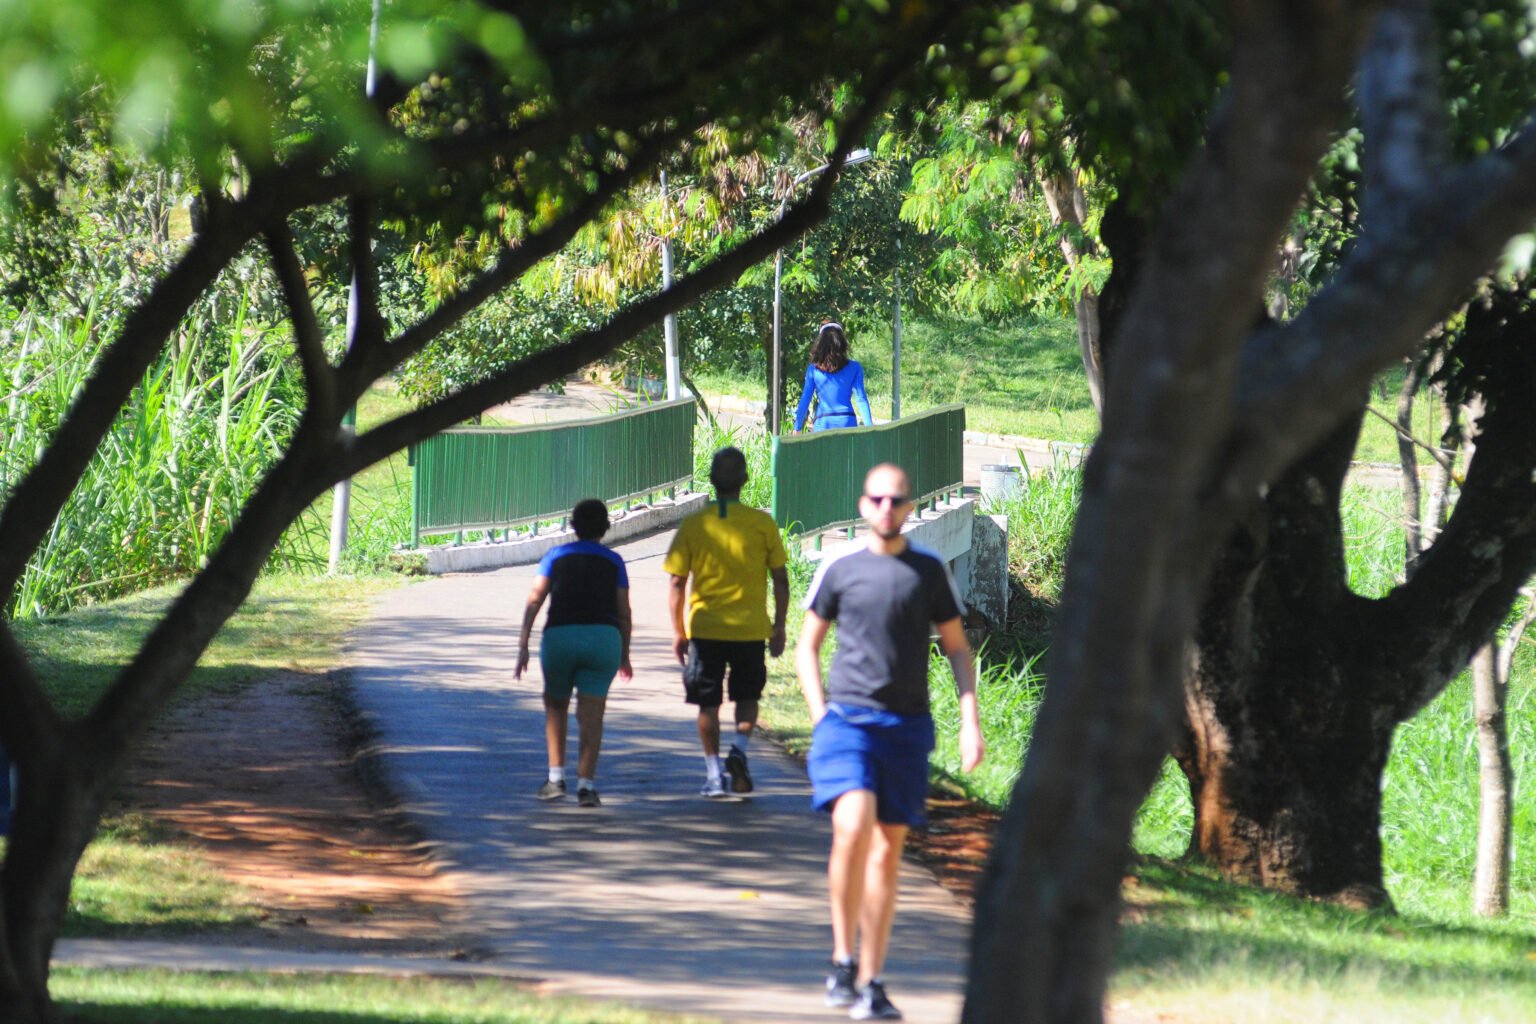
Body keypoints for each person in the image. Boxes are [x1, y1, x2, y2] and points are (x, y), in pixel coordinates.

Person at [796, 463, 985, 1021]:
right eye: (877, 498)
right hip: (847, 723)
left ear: (907, 507)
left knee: (886, 851)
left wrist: (968, 717)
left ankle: (873, 979)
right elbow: (808, 645)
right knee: (851, 827)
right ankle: (841, 959)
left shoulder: (927, 571)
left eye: (896, 500)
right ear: (863, 505)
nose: (886, 507)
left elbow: (956, 647)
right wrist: (819, 714)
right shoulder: (840, 567)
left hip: (906, 728)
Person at [664, 447, 790, 798]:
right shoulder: (762, 523)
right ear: (746, 480)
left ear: (712, 481)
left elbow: (676, 581)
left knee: (708, 702)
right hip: (750, 628)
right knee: (748, 695)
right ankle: (739, 750)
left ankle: (714, 776)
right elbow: (780, 579)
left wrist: (678, 631)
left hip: (705, 628)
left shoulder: (694, 524)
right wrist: (779, 625)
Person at [515, 498, 633, 808]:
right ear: (606, 528)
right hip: (603, 640)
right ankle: (586, 786)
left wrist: (524, 643)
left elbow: (535, 599)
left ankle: (555, 779)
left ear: (573, 526)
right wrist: (625, 654)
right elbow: (624, 612)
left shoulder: (555, 556)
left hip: (560, 638)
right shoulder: (614, 561)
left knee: (556, 706)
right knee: (592, 714)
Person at [793, 321, 874, 432]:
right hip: (847, 421)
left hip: (823, 422)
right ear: (842, 344)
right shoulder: (855, 368)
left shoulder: (813, 370)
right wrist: (870, 427)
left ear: (820, 345)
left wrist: (797, 427)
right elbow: (861, 399)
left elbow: (805, 399)